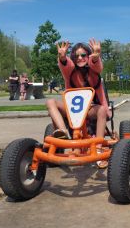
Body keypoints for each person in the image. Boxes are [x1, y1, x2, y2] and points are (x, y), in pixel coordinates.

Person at [46, 39, 111, 169]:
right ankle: (62, 131)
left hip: (91, 109)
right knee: (50, 102)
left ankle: (97, 148)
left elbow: (96, 66)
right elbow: (65, 65)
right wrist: (62, 57)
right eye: (76, 56)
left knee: (102, 110)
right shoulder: (70, 71)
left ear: (88, 56)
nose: (80, 58)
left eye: (83, 55)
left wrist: (96, 56)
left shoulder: (94, 71)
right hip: (72, 110)